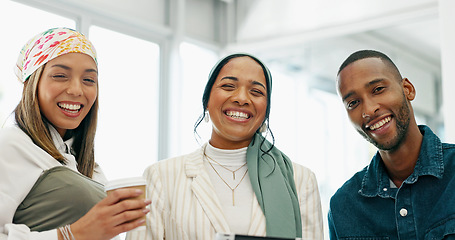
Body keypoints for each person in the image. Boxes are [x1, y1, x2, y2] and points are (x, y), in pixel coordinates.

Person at [127, 53, 323, 240]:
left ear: (266, 111)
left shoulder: (300, 180)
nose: (242, 98)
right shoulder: (159, 176)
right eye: (229, 86)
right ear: (206, 101)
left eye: (256, 92)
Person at [0, 27, 150, 240]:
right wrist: (71, 235)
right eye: (60, 76)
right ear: (31, 83)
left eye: (89, 80)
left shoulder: (89, 167)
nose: (76, 90)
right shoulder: (10, 145)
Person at [328, 49, 455, 239]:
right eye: (353, 103)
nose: (369, 110)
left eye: (378, 89)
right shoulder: (344, 206)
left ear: (408, 89)